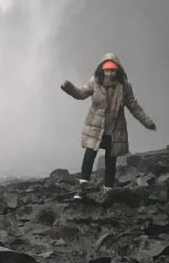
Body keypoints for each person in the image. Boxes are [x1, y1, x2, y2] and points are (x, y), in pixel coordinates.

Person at [61, 52, 157, 200]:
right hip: (96, 127)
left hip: (114, 130)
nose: (110, 73)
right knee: (89, 156)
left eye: (113, 70)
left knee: (110, 160)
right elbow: (80, 93)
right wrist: (69, 88)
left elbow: (134, 107)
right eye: (107, 70)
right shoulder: (95, 82)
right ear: (102, 69)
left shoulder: (125, 87)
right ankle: (82, 190)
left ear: (118, 70)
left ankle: (108, 190)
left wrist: (148, 122)